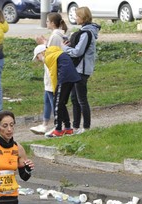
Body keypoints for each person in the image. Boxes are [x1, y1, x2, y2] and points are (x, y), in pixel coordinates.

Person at [62, 6, 100, 135]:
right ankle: (76, 126)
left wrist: (64, 49)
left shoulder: (86, 33)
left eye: (77, 16)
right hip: (77, 69)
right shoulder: (84, 31)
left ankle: (86, 127)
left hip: (82, 70)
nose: (75, 18)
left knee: (81, 99)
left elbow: (78, 51)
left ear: (83, 18)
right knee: (74, 98)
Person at [30, 12, 69, 135]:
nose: (46, 23)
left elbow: (51, 54)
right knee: (47, 99)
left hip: (52, 71)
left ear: (52, 23)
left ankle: (59, 125)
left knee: (54, 100)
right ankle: (45, 123)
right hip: (50, 71)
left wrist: (43, 47)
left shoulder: (55, 36)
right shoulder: (54, 36)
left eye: (47, 21)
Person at [35, 45, 81, 138]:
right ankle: (68, 128)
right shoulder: (56, 52)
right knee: (62, 103)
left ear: (42, 53)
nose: (38, 59)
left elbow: (53, 74)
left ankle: (58, 129)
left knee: (57, 103)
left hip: (64, 78)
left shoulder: (48, 57)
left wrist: (55, 89)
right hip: (72, 77)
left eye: (37, 57)